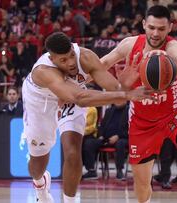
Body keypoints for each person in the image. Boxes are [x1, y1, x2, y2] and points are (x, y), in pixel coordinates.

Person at [101, 5, 177, 203]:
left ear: (170, 27)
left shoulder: (173, 46)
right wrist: (118, 86)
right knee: (142, 184)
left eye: (161, 29)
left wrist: (158, 60)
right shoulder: (129, 44)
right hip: (142, 121)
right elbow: (101, 65)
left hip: (174, 113)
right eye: (151, 27)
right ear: (143, 25)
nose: (155, 33)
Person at [22, 32, 152, 203]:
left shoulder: (85, 57)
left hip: (73, 96)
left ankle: (69, 201)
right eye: (63, 60)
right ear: (52, 59)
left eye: (70, 56)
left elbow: (115, 89)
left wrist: (124, 86)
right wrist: (127, 94)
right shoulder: (43, 71)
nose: (70, 63)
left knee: (73, 151)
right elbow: (81, 98)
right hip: (42, 101)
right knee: (37, 165)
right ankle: (40, 184)